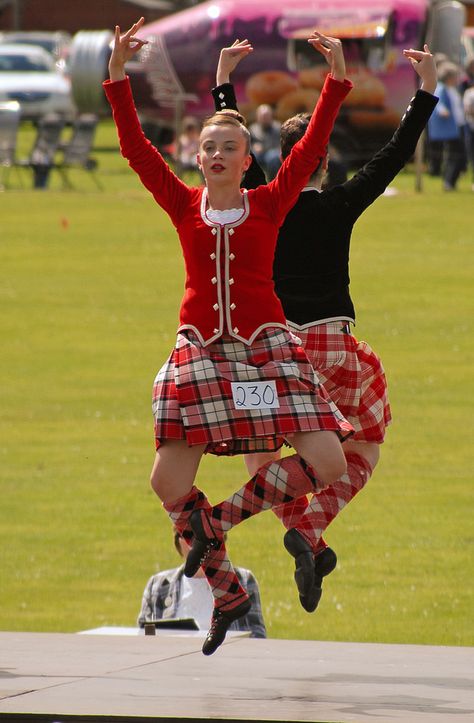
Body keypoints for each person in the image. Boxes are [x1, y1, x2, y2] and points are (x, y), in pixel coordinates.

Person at [104, 18, 353, 655]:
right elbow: (134, 149)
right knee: (166, 485)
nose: (216, 156)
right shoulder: (183, 203)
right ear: (198, 156)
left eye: (229, 148)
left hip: (267, 354)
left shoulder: (270, 202)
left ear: (247, 161)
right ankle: (225, 588)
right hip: (201, 355)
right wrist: (115, 77)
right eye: (209, 147)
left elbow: (314, 142)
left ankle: (218, 522)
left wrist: (336, 80)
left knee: (326, 464)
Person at [209, 42, 439, 611]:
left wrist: (223, 86)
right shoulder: (340, 204)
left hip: (274, 351)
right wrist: (426, 91)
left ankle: (302, 534)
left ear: (275, 163)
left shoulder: (263, 201)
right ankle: (310, 529)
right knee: (365, 445)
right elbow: (394, 152)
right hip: (334, 349)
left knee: (263, 455)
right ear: (323, 161)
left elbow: (239, 150)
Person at [138, 528, 266, 638]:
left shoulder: (242, 580)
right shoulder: (158, 586)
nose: (198, 544)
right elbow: (143, 639)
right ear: (179, 542)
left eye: (207, 536)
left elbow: (257, 638)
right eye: (190, 537)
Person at [428, 61, 466, 190]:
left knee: (457, 155)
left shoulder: (453, 89)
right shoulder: (442, 88)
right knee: (456, 155)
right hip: (450, 129)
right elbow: (437, 102)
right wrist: (442, 110)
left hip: (458, 126)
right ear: (449, 76)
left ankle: (451, 181)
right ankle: (449, 182)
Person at [249, 103, 281, 180]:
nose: (264, 118)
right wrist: (254, 147)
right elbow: (248, 144)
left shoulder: (278, 127)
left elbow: (280, 144)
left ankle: (272, 181)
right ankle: (254, 181)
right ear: (258, 117)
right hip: (260, 154)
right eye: (262, 116)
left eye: (266, 116)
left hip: (274, 153)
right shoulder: (253, 129)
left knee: (272, 157)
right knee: (252, 157)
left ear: (271, 116)